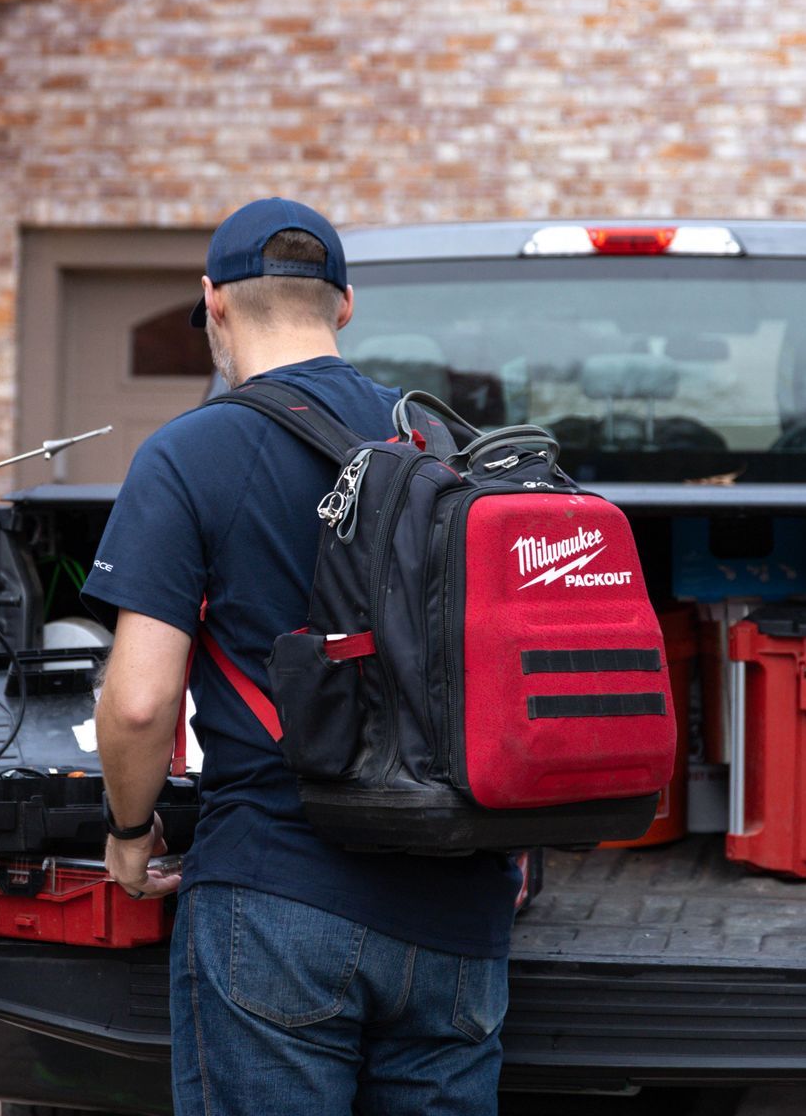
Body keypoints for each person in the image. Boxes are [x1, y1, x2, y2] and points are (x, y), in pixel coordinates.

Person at [88, 199, 520, 1115]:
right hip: (457, 905)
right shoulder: (443, 447)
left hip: (278, 896)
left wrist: (130, 835)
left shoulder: (188, 454)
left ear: (211, 303)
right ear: (346, 307)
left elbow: (136, 704)